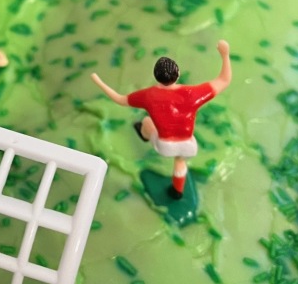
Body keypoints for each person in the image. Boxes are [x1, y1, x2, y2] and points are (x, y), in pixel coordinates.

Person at [91, 40, 232, 199]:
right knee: (180, 162)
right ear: (178, 73)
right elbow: (224, 80)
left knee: (147, 122)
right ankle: (177, 191)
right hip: (188, 145)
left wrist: (99, 82)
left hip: (165, 145)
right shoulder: (192, 94)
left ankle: (144, 133)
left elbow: (120, 99)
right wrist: (225, 55)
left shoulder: (149, 95)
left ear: (156, 76)